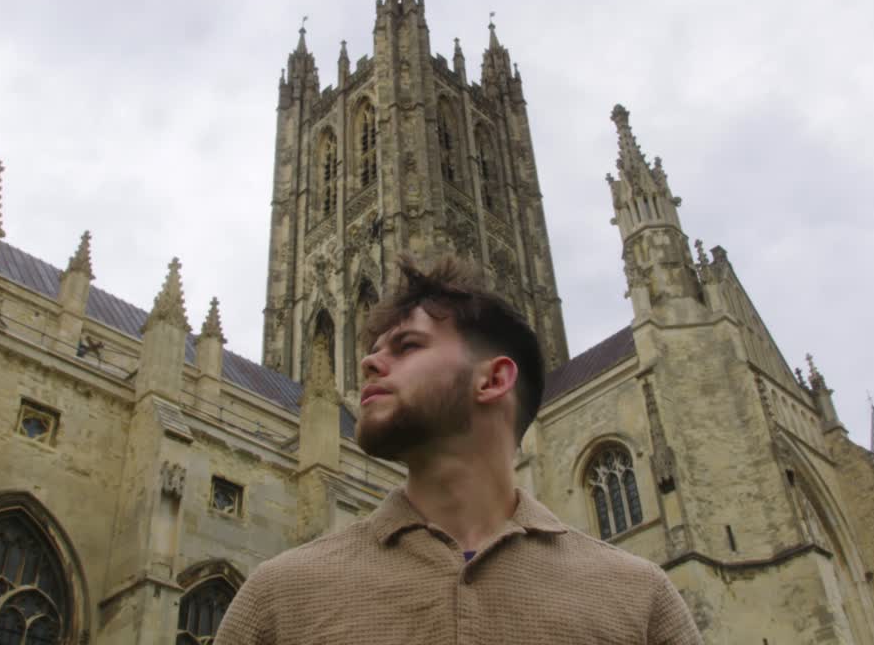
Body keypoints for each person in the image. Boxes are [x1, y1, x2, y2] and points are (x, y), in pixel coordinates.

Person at [215, 256, 702, 644]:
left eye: (406, 346)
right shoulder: (279, 596)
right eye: (374, 348)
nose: (366, 363)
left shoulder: (640, 599)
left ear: (493, 379)